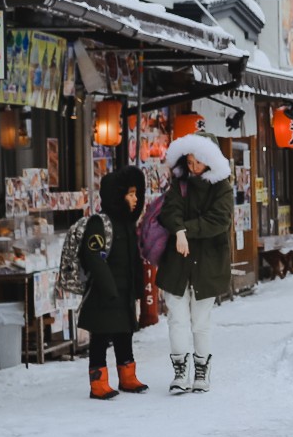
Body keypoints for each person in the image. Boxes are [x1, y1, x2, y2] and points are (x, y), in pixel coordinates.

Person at [158, 133, 234, 393]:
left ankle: (202, 370)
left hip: (209, 262)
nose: (192, 168)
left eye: (197, 162)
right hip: (177, 262)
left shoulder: (222, 186)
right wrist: (177, 232)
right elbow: (169, 211)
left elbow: (219, 220)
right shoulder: (179, 184)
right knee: (176, 319)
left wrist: (183, 230)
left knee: (201, 320)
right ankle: (180, 371)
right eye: (189, 162)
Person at [78, 166, 149, 400]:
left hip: (124, 292)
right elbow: (94, 257)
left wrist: (137, 287)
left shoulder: (128, 225)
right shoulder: (100, 223)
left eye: (136, 194)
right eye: (130, 194)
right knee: (100, 337)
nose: (135, 198)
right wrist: (109, 289)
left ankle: (127, 376)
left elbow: (134, 260)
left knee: (124, 333)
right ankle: (98, 383)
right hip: (104, 293)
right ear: (118, 196)